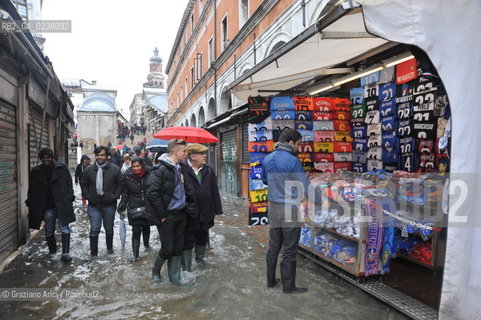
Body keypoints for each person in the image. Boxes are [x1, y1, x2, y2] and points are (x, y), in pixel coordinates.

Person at [262, 129, 309, 294]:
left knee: (273, 246)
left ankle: (270, 281)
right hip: (290, 208)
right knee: (289, 249)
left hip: (273, 207)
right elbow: (304, 187)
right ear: (290, 143)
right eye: (298, 144)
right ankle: (289, 287)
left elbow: (265, 180)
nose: (299, 147)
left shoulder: (267, 159)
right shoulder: (293, 161)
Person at [146, 139, 197, 286]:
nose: (186, 154)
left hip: (181, 213)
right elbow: (152, 194)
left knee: (178, 247)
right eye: (184, 151)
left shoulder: (182, 168)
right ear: (175, 152)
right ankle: (155, 272)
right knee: (167, 248)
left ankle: (175, 279)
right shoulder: (160, 169)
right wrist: (162, 216)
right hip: (166, 215)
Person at [26, 147, 76, 262]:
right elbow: (32, 189)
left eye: (48, 157)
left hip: (62, 202)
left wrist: (70, 196)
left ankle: (65, 253)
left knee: (64, 227)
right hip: (47, 205)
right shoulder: (36, 171)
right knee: (49, 229)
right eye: (44, 158)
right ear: (41, 159)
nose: (46, 160)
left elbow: (69, 183)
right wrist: (31, 202)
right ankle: (52, 252)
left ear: (52, 158)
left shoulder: (62, 167)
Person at [180, 143, 223, 271]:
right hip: (189, 212)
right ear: (193, 156)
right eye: (201, 154)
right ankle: (186, 267)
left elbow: (214, 190)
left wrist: (217, 209)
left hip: (206, 211)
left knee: (203, 236)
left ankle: (200, 259)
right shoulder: (181, 170)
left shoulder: (208, 170)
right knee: (187, 240)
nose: (205, 156)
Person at [81, 146, 123, 259]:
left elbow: (120, 183)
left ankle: (110, 250)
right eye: (98, 155)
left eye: (102, 155)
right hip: (94, 205)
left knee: (109, 228)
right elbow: (83, 183)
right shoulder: (89, 170)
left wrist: (115, 195)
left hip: (109, 205)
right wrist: (88, 195)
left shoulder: (115, 169)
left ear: (107, 156)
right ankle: (93, 255)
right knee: (94, 229)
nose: (100, 157)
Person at [118, 158, 153, 262]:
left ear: (142, 166)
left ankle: (147, 246)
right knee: (136, 230)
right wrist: (122, 204)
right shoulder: (127, 176)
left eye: (138, 166)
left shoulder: (150, 173)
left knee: (146, 227)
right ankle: (135, 255)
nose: (136, 168)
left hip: (147, 205)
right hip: (134, 206)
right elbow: (125, 193)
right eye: (134, 166)